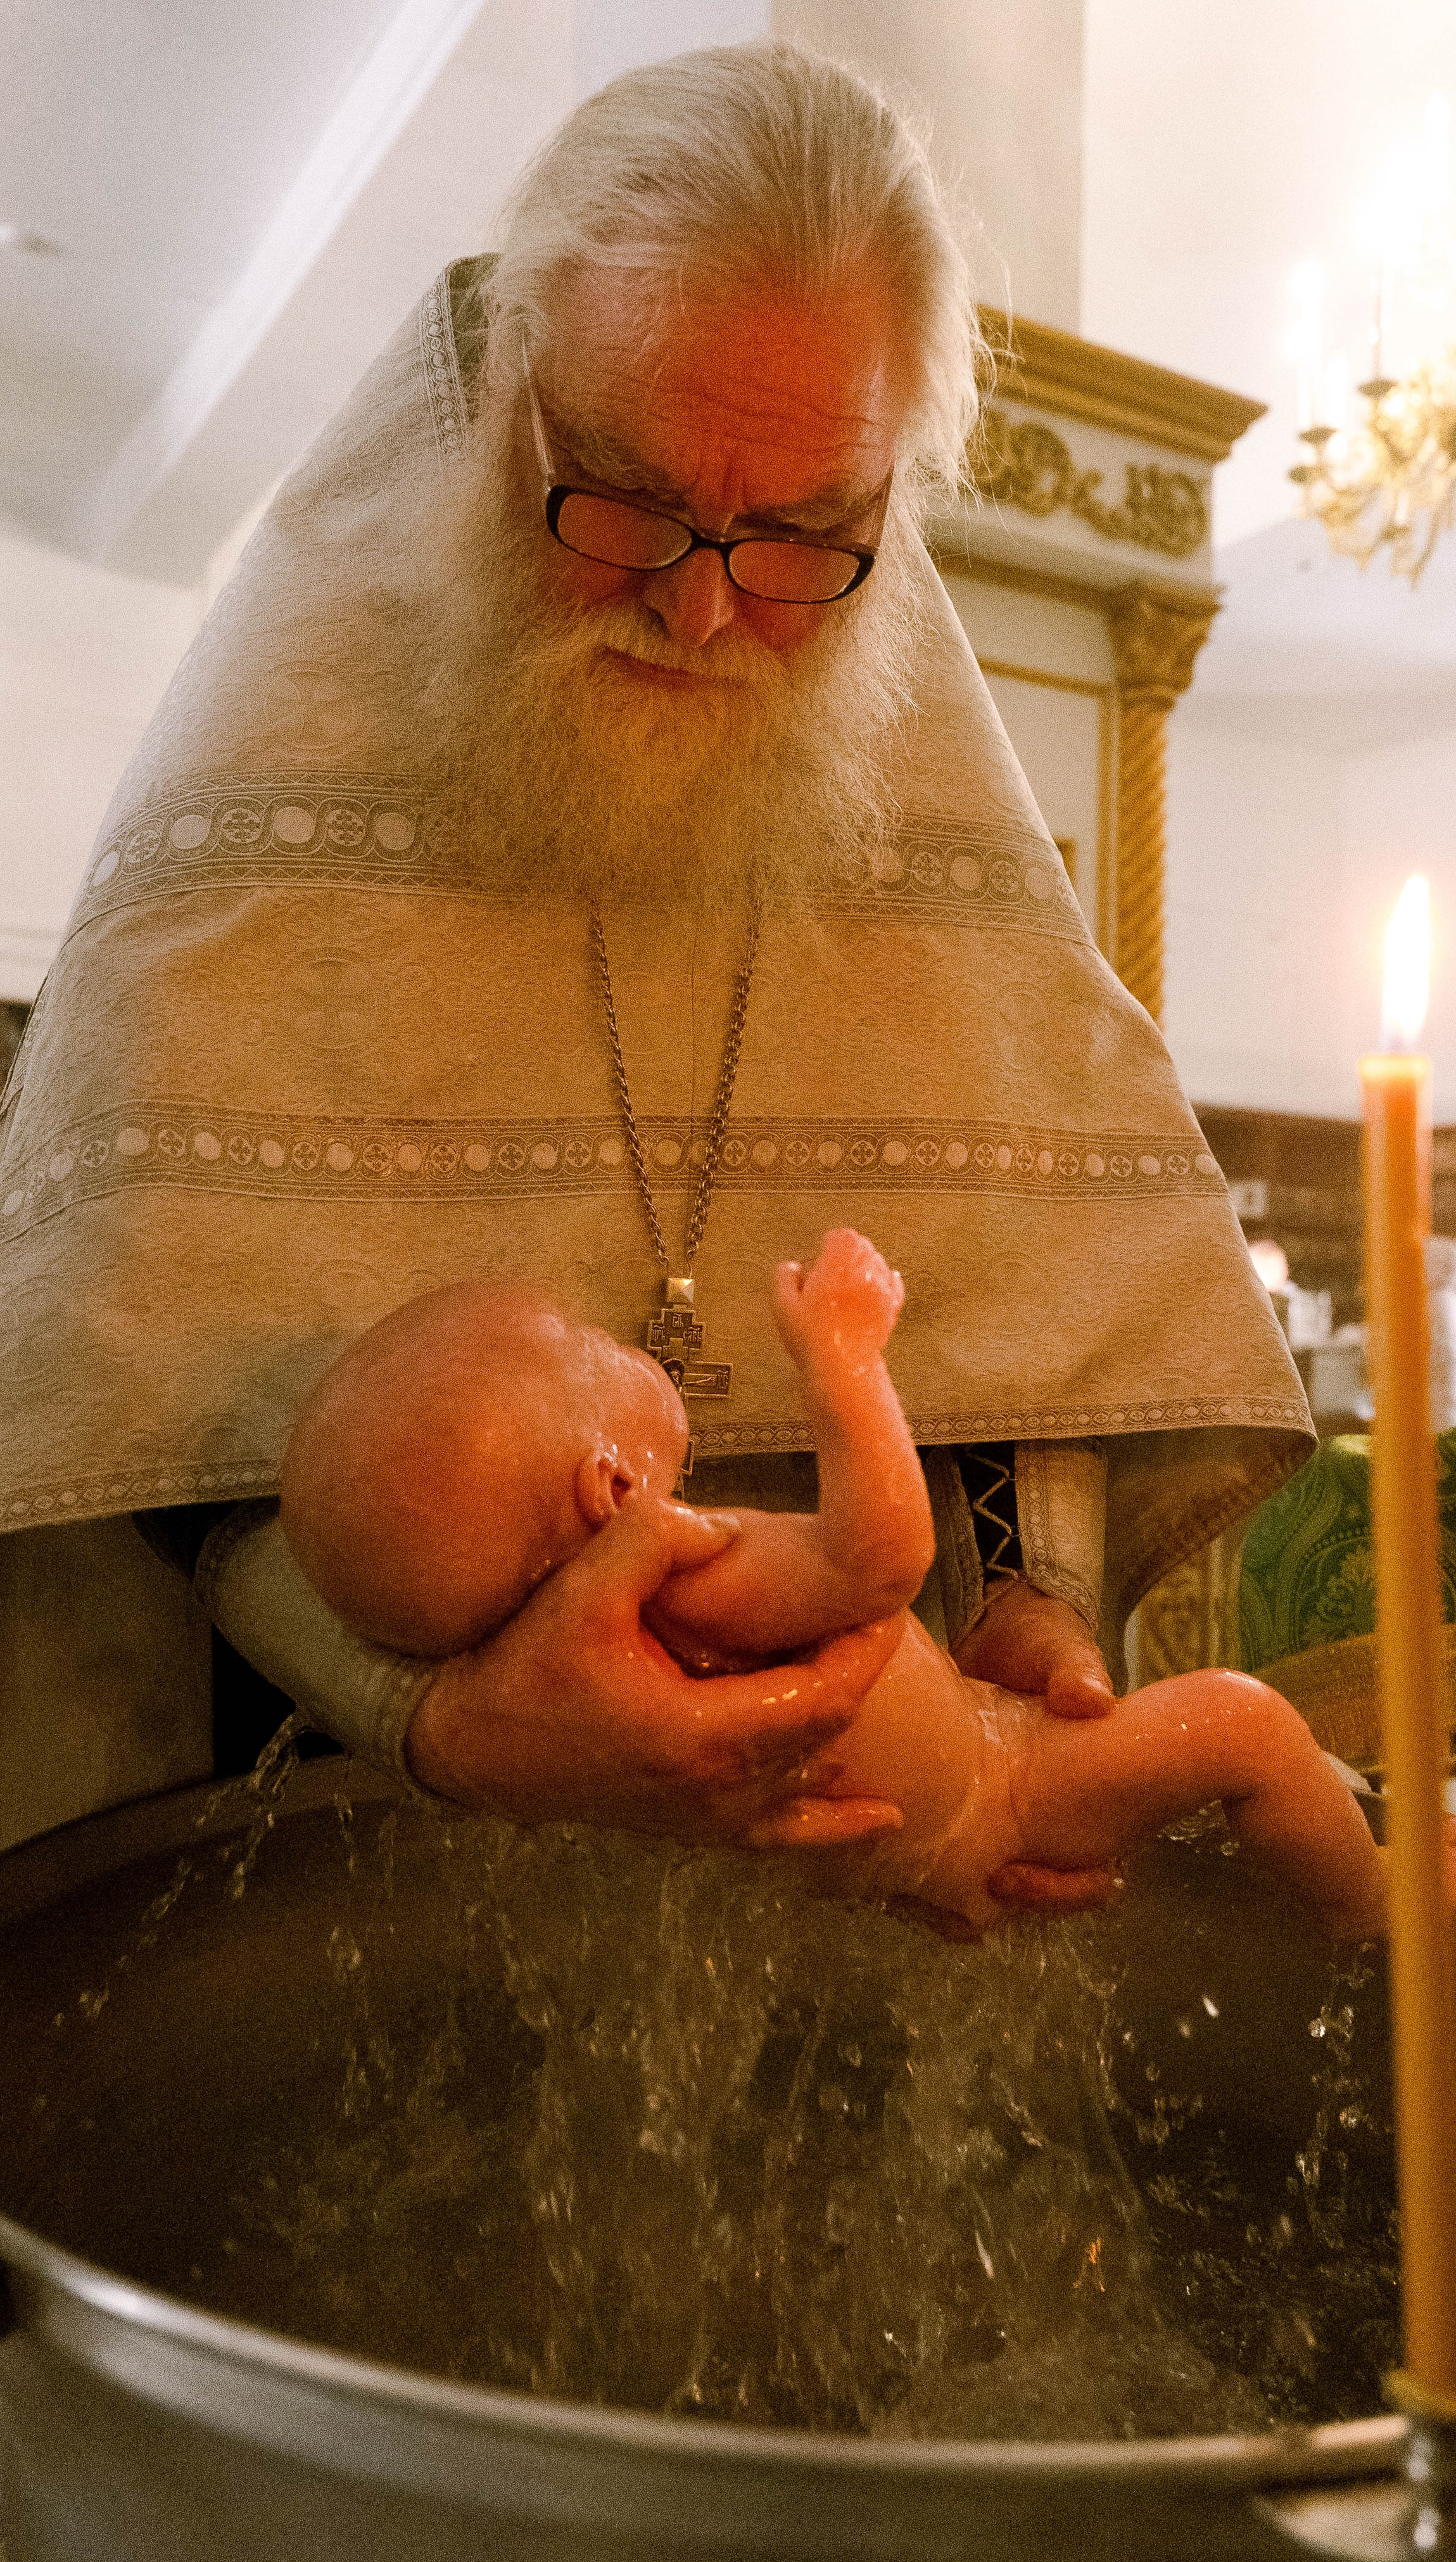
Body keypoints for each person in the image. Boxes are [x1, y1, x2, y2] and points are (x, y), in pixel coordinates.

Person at [0, 44, 1312, 1857]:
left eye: (799, 539)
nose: (700, 608)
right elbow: (147, 1405)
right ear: (507, 385)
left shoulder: (897, 755)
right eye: (617, 496)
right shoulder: (277, 771)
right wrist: (432, 1715)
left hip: (847, 1840)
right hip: (343, 1843)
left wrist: (1033, 1606)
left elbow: (1039, 1296)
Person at [277, 1235, 1422, 1941]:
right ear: (608, 1481)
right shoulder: (693, 1575)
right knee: (1248, 1723)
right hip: (1013, 1780)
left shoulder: (613, 1659)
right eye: (595, 1343)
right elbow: (880, 1559)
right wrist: (845, 1364)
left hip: (941, 1821)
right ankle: (1374, 1914)